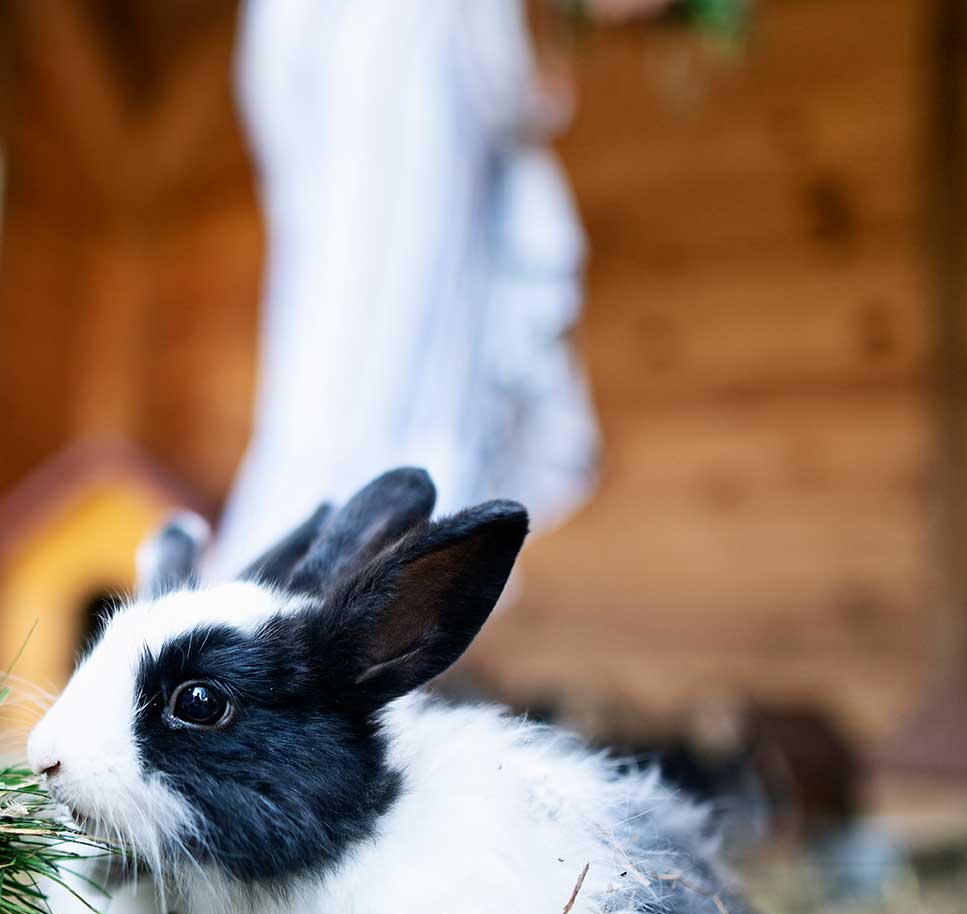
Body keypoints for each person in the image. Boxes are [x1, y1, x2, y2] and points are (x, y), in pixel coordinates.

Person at [209, 0, 669, 574]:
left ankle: (315, 590)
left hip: (357, 80)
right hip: (385, 91)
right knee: (371, 353)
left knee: (361, 365)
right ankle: (300, 595)